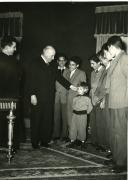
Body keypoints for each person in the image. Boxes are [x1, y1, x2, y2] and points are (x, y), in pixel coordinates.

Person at [25, 45, 77, 149]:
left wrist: (71, 86)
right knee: (36, 120)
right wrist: (32, 95)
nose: (54, 58)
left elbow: (59, 77)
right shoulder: (34, 63)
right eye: (52, 56)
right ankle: (35, 142)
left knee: (47, 120)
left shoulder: (52, 64)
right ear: (45, 54)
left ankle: (45, 140)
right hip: (37, 97)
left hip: (49, 97)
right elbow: (30, 80)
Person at [104, 36, 128, 172]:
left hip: (122, 103)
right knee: (114, 133)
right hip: (114, 102)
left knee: (121, 134)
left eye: (108, 48)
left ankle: (122, 163)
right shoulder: (115, 60)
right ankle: (116, 157)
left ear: (113, 47)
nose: (108, 51)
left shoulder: (124, 58)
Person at [0, 35, 22, 151]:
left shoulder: (14, 61)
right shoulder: (15, 62)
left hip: (6, 98)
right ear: (7, 46)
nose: (15, 49)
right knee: (10, 123)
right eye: (13, 47)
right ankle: (9, 146)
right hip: (11, 99)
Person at [67, 82, 92, 149]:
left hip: (83, 116)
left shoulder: (87, 98)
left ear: (85, 90)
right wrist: (75, 110)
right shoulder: (75, 98)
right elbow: (73, 105)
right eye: (78, 89)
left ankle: (83, 142)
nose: (78, 90)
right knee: (73, 128)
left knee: (82, 128)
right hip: (75, 115)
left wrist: (86, 113)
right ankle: (72, 141)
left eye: (80, 89)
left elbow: (90, 107)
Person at [66, 56, 87, 137]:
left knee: (76, 119)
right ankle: (71, 137)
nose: (70, 66)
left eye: (73, 65)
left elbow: (84, 87)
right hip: (67, 99)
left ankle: (78, 138)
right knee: (69, 118)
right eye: (70, 64)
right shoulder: (67, 72)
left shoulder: (81, 73)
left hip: (76, 99)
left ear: (77, 65)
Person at [52, 53, 69, 142]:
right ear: (57, 61)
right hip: (56, 97)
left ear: (65, 61)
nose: (61, 62)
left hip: (65, 96)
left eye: (63, 60)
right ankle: (56, 134)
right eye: (60, 60)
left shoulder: (69, 71)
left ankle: (65, 135)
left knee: (65, 116)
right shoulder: (53, 70)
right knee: (56, 116)